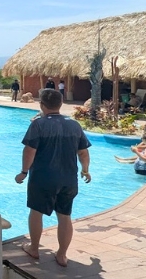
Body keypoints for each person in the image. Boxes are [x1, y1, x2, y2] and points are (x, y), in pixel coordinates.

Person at [15, 89, 91, 268]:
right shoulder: (74, 125)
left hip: (43, 178)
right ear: (61, 103)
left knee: (36, 212)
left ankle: (34, 248)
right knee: (65, 216)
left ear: (42, 105)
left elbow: (29, 151)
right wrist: (86, 170)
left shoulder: (38, 124)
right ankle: (62, 255)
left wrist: (24, 172)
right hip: (68, 179)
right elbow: (83, 152)